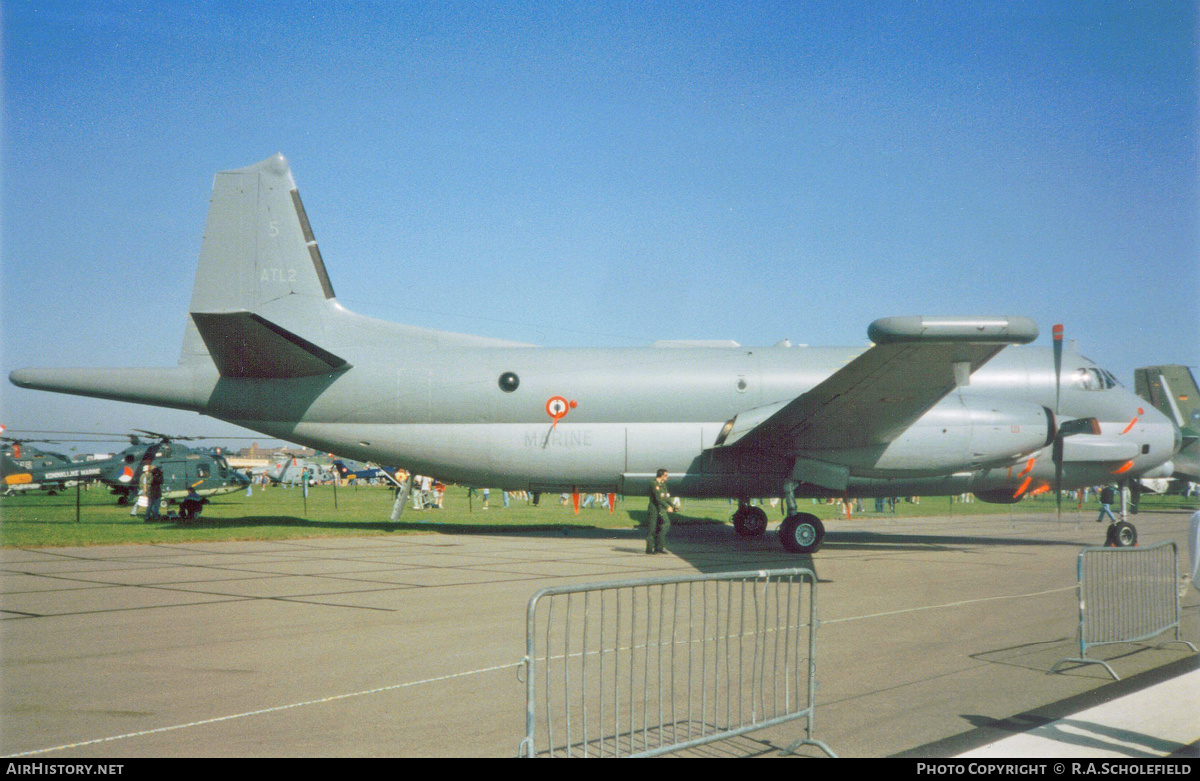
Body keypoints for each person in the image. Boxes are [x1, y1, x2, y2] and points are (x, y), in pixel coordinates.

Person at [645, 468, 675, 555]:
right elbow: (658, 498)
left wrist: (673, 505)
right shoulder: (654, 484)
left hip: (660, 508)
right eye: (666, 475)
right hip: (654, 509)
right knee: (652, 528)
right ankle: (649, 549)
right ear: (661, 475)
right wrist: (667, 506)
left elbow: (666, 497)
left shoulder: (663, 484)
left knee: (662, 527)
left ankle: (659, 547)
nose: (667, 477)